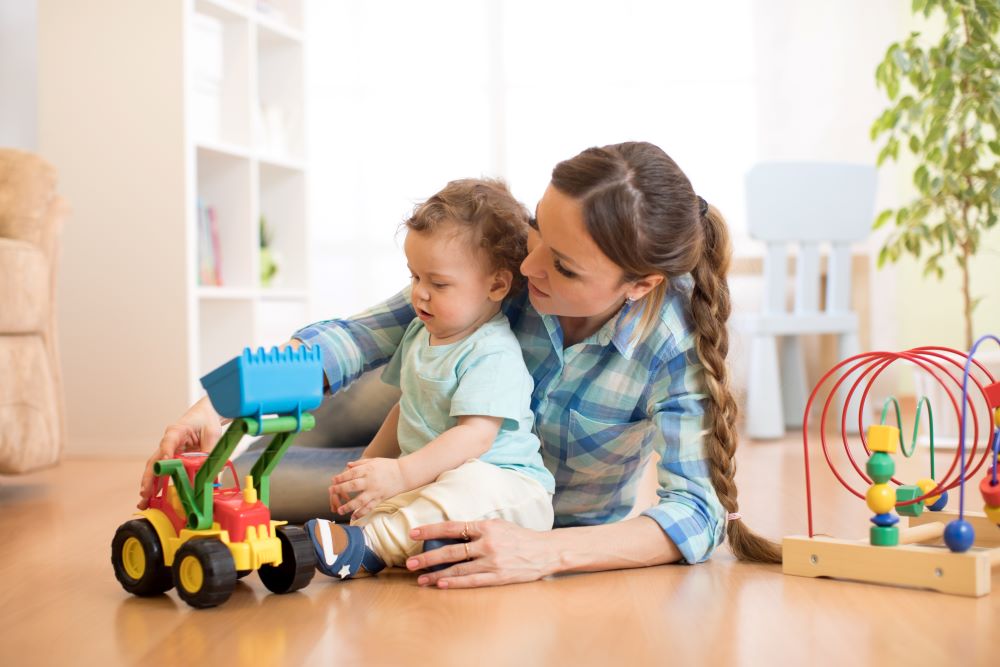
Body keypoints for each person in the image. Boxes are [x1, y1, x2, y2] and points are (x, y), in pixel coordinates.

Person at [140, 141, 781, 590]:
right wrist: (218, 406)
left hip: (490, 484)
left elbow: (696, 513)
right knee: (241, 468)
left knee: (261, 483)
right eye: (537, 235)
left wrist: (547, 551)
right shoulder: (503, 278)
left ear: (637, 285)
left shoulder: (672, 346)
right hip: (420, 410)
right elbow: (352, 340)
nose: (527, 270)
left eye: (563, 266)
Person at [304, 178, 555, 579]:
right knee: (376, 509)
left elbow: (476, 436)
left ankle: (374, 544)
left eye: (438, 284)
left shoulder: (492, 351)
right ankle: (406, 544)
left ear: (496, 285)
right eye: (414, 277)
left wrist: (402, 474)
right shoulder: (421, 334)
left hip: (508, 490)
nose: (420, 294)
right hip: (432, 480)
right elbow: (406, 406)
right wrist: (368, 468)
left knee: (468, 482)